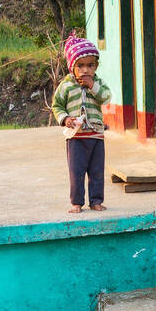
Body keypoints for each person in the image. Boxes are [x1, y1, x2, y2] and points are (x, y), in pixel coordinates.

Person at [51, 33, 112, 214]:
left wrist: (92, 85)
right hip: (76, 137)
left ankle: (96, 201)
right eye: (81, 66)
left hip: (95, 136)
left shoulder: (98, 83)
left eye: (90, 65)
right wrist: (65, 119)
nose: (85, 70)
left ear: (96, 66)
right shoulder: (66, 85)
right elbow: (57, 106)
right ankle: (77, 202)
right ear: (72, 67)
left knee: (97, 172)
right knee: (76, 172)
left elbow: (106, 97)